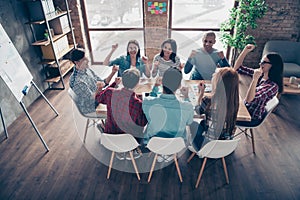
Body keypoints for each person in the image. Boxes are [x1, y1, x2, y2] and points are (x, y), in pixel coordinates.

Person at [190, 67, 239, 151]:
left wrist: (201, 94)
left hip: (206, 147)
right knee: (203, 122)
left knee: (192, 124)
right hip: (225, 147)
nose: (213, 75)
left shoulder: (208, 101)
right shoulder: (234, 102)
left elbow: (198, 111)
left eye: (216, 75)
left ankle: (196, 147)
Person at [233, 44, 283, 126]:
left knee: (222, 113)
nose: (260, 64)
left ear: (272, 65)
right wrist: (245, 51)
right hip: (246, 107)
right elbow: (237, 68)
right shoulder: (261, 74)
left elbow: (249, 100)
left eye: (264, 62)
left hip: (251, 116)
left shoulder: (272, 86)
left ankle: (225, 134)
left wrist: (255, 79)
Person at [143, 67, 194, 143]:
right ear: (179, 86)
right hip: (176, 144)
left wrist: (155, 88)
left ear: (162, 83)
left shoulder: (147, 102)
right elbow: (189, 122)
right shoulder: (187, 107)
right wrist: (186, 97)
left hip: (153, 143)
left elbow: (151, 101)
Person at [69, 48, 118, 115]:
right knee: (118, 101)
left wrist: (113, 72)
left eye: (86, 58)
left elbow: (102, 82)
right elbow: (90, 99)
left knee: (119, 93)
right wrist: (99, 88)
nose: (88, 60)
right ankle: (111, 123)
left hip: (99, 96)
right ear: (76, 62)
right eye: (84, 59)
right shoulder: (76, 81)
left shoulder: (86, 70)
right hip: (91, 106)